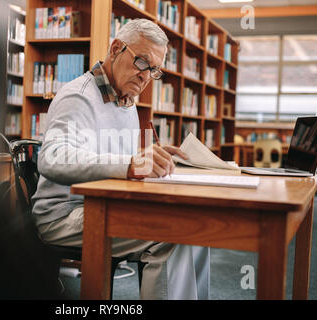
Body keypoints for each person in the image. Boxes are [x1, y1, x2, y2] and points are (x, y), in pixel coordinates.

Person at [31, 18, 210, 299]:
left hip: (103, 206)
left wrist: (152, 159)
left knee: (196, 227)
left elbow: (114, 160)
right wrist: (131, 165)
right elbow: (52, 158)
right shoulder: (79, 97)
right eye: (142, 62)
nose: (146, 76)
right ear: (116, 49)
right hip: (65, 215)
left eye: (154, 70)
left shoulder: (124, 100)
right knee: (172, 233)